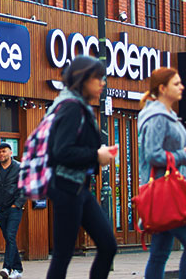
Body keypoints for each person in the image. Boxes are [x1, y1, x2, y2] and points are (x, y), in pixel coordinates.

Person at [45, 55, 117, 279]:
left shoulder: (76, 105)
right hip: (67, 187)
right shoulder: (71, 108)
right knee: (63, 255)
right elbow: (61, 152)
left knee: (108, 245)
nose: (102, 83)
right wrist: (96, 155)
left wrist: (97, 154)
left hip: (78, 187)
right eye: (98, 78)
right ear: (83, 79)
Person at [138, 67, 186, 279]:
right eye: (176, 84)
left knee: (159, 254)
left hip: (164, 193)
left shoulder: (166, 115)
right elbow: (153, 154)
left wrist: (181, 153)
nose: (181, 87)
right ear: (162, 88)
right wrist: (183, 155)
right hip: (169, 194)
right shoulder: (157, 117)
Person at [0, 142, 26, 279]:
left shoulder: (20, 168)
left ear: (11, 153)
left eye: (4, 151)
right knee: (9, 238)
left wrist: (17, 204)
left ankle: (6, 267)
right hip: (0, 210)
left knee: (10, 236)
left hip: (14, 209)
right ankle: (18, 269)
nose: (1, 154)